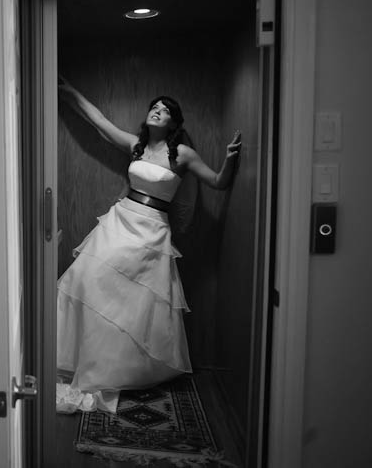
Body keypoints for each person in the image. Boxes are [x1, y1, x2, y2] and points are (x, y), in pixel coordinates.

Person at [55, 76, 241, 414]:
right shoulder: (136, 146)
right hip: (121, 220)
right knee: (87, 278)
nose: (157, 112)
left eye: (165, 110)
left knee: (136, 302)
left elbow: (217, 182)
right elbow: (99, 122)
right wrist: (69, 93)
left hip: (152, 231)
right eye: (154, 108)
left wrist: (230, 159)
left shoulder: (182, 153)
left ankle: (124, 368)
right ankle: (86, 358)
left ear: (173, 122)